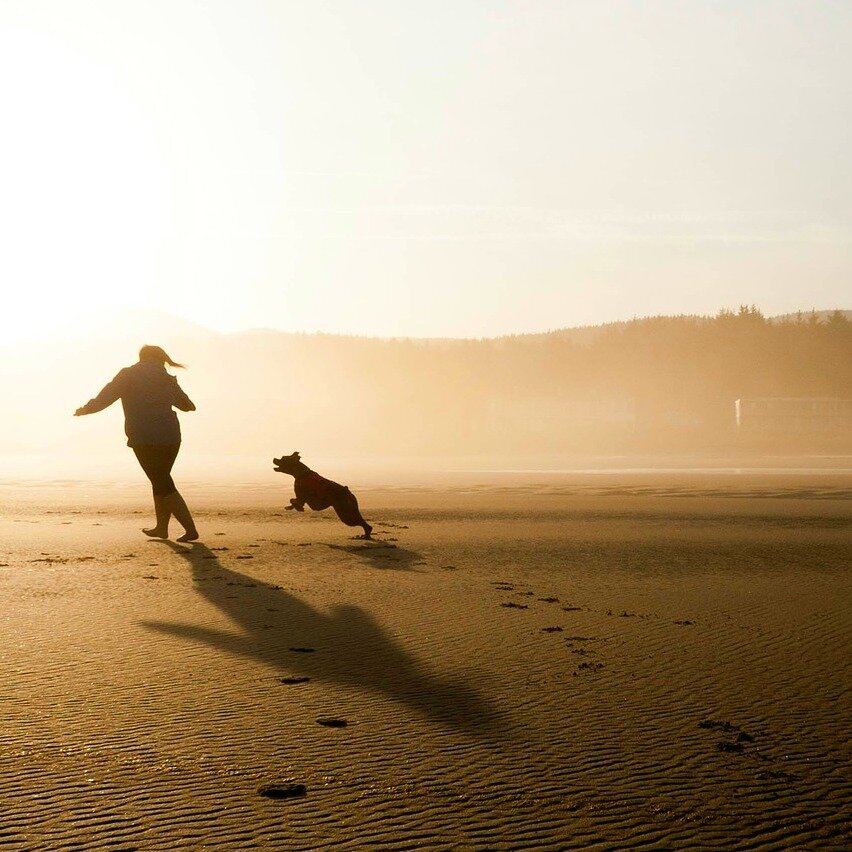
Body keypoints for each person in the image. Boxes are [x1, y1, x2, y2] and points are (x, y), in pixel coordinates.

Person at [75, 345, 199, 542]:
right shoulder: (166, 378)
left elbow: (106, 397)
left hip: (144, 437)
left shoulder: (129, 374)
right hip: (171, 437)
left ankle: (190, 529)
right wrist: (185, 402)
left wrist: (86, 409)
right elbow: (186, 406)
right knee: (160, 480)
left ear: (141, 358)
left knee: (162, 481)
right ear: (160, 359)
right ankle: (161, 528)